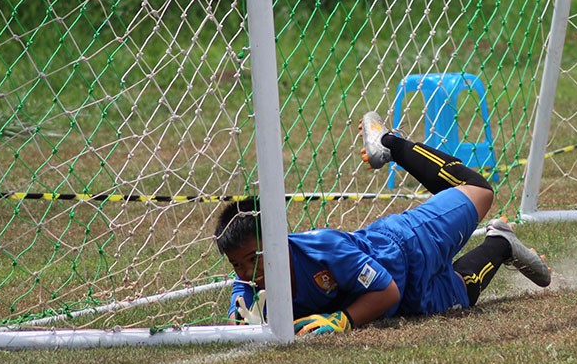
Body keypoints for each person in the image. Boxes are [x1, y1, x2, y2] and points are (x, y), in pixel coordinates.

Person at [214, 111, 551, 335]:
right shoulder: (249, 284)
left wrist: (341, 320)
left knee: (480, 192)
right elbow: (241, 319)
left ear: (275, 240)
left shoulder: (324, 247)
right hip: (407, 301)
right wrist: (243, 320)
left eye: (251, 258)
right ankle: (502, 243)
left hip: (408, 245)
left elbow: (384, 290)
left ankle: (390, 144)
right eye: (236, 264)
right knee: (463, 293)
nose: (245, 270)